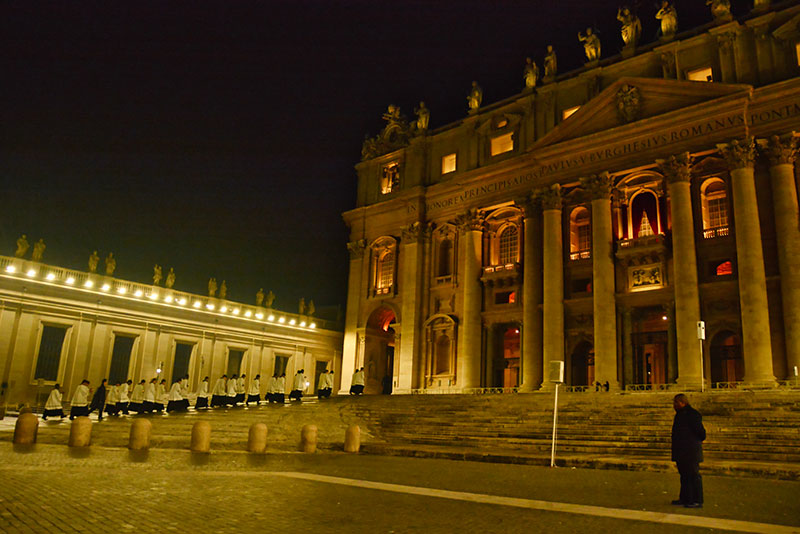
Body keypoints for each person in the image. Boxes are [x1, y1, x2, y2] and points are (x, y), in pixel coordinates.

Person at [671, 394, 706, 508]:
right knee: (684, 476)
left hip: (690, 451)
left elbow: (701, 433)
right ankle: (685, 498)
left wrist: (692, 442)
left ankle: (696, 500)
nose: (674, 405)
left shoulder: (692, 414)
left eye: (676, 403)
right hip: (681, 451)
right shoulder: (680, 415)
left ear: (682, 402)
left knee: (693, 476)